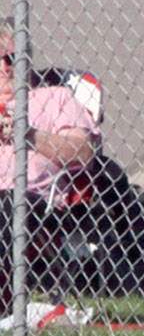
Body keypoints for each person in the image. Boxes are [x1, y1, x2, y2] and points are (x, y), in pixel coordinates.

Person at [0, 20, 99, 314]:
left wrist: (27, 134)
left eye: (12, 58)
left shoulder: (54, 98)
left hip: (29, 201)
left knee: (6, 204)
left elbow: (82, 153)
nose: (6, 67)